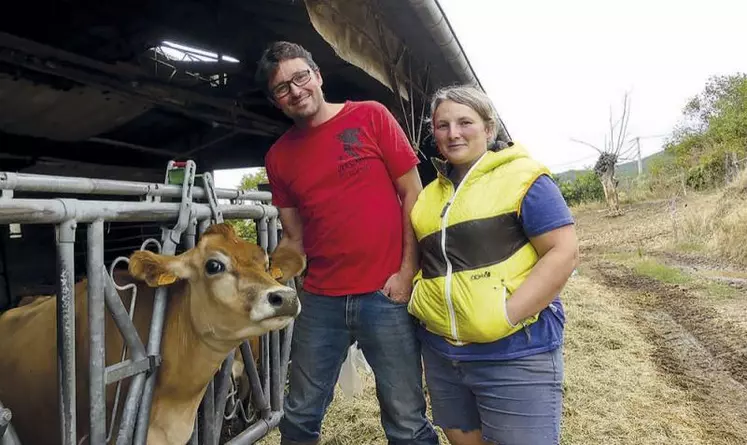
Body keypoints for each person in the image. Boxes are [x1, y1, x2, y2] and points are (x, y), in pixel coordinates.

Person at [254, 41, 439, 445]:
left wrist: (407, 273)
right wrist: (260, 276)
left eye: (300, 77)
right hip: (321, 299)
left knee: (406, 420)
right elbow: (294, 238)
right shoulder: (278, 157)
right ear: (276, 100)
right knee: (299, 417)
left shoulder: (371, 116)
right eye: (282, 88)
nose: (295, 90)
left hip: (385, 293)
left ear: (317, 76)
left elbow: (413, 194)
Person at [408, 85, 579, 445]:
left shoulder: (525, 177)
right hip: (444, 355)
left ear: (489, 129)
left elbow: (563, 252)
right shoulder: (428, 196)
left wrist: (504, 316)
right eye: (442, 125)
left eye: (464, 122)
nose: (453, 133)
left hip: (514, 350)